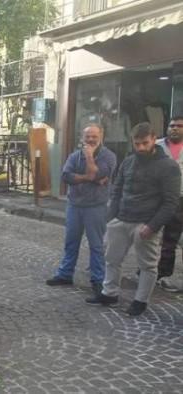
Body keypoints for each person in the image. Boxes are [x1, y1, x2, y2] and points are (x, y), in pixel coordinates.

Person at [87, 122, 181, 316]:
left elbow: (171, 202)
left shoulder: (169, 166)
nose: (140, 148)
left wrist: (153, 226)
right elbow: (117, 189)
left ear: (154, 139)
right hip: (121, 219)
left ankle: (140, 301)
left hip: (146, 223)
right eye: (136, 143)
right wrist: (111, 218)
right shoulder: (129, 161)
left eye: (145, 143)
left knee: (147, 265)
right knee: (112, 259)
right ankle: (109, 294)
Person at [46, 124, 117, 297]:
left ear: (101, 137)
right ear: (82, 137)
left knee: (96, 245)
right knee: (71, 242)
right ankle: (65, 274)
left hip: (96, 206)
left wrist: (90, 158)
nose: (90, 140)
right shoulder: (74, 156)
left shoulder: (109, 156)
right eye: (87, 137)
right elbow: (66, 176)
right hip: (74, 205)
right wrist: (89, 177)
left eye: (94, 136)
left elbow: (99, 174)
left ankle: (98, 280)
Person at [157, 116, 183, 292]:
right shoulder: (157, 145)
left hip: (180, 198)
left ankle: (164, 273)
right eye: (172, 126)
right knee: (151, 234)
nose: (175, 128)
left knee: (171, 238)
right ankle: (150, 270)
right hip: (158, 197)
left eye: (180, 126)